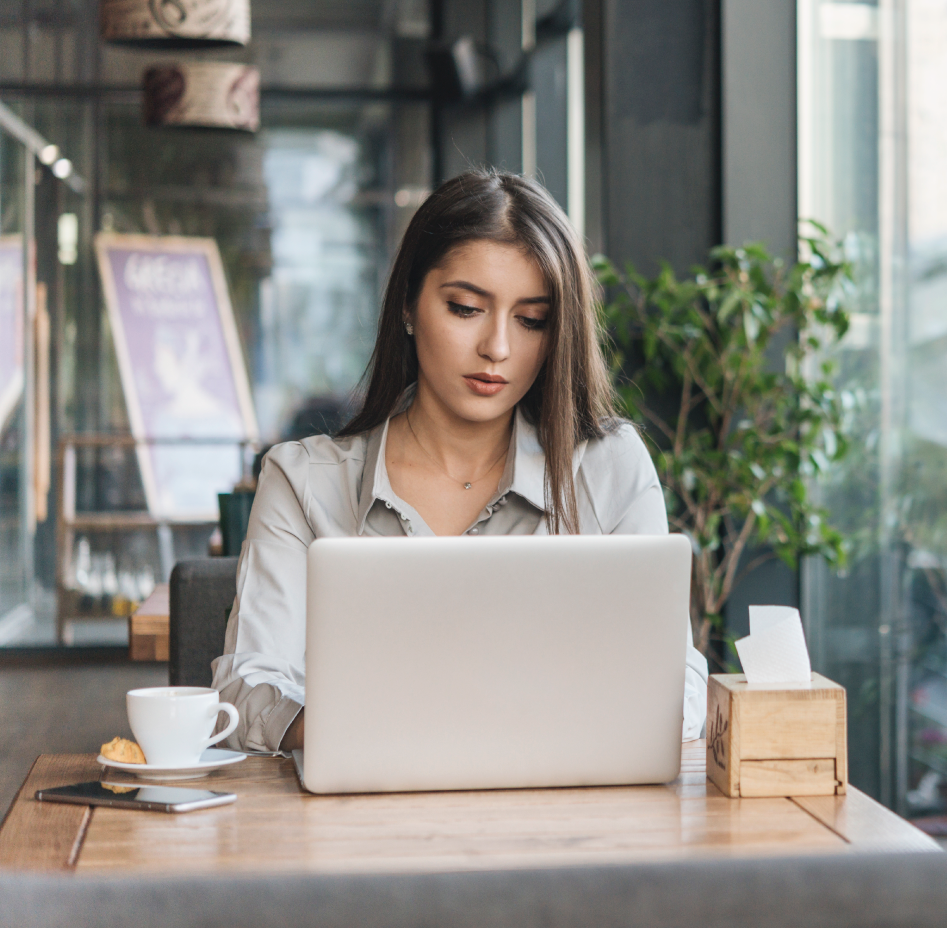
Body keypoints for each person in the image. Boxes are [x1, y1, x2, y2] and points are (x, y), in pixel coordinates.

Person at [211, 170, 708, 754]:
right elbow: (245, 689)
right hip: (362, 824)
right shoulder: (303, 483)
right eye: (466, 308)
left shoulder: (607, 468)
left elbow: (679, 685)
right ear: (407, 305)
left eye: (531, 320)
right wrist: (380, 735)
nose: (497, 348)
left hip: (565, 822)